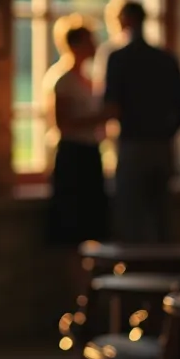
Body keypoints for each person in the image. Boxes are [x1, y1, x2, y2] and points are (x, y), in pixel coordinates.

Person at [101, 0, 180, 243]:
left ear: (125, 21)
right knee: (161, 218)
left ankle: (134, 276)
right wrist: (165, 133)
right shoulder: (166, 59)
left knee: (130, 218)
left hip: (132, 144)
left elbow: (111, 105)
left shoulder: (118, 59)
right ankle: (162, 272)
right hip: (161, 147)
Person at [44, 14, 111, 249]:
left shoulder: (90, 79)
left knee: (93, 224)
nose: (95, 46)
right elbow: (62, 124)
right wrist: (100, 118)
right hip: (73, 156)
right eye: (89, 41)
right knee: (72, 227)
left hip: (91, 153)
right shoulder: (62, 80)